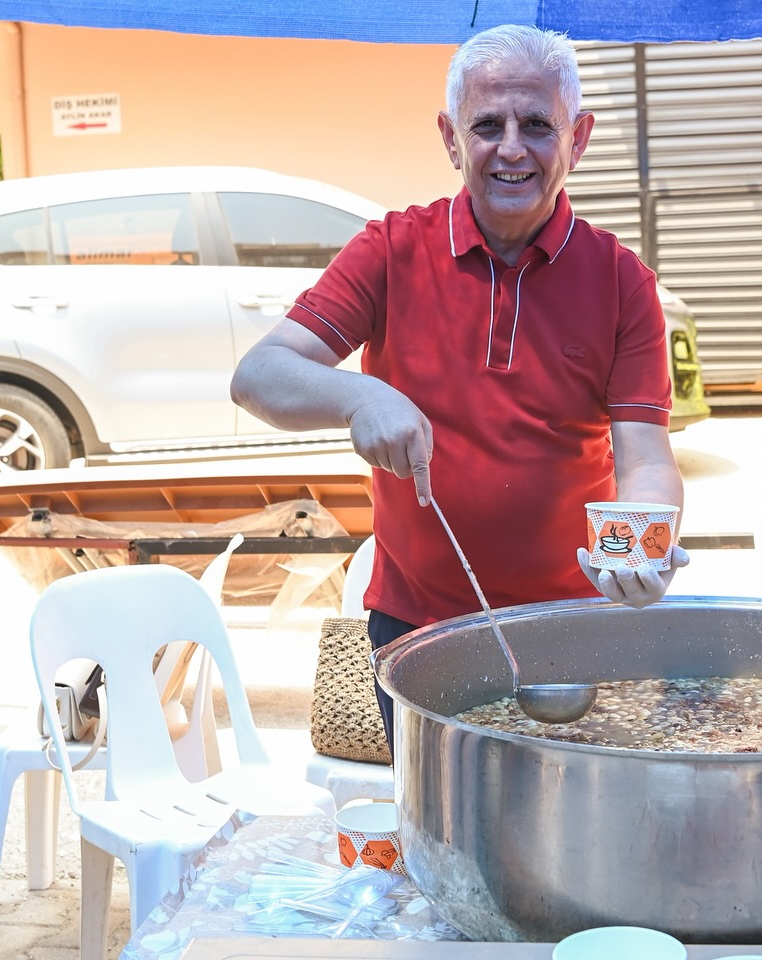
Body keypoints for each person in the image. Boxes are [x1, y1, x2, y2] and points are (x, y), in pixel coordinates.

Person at [230, 24, 688, 747]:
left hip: (570, 630)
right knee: (439, 839)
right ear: (450, 138)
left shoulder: (621, 282)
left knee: (567, 844)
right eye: (487, 125)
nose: (511, 148)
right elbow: (258, 376)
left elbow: (646, 458)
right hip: (416, 628)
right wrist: (362, 396)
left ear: (580, 137)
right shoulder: (390, 251)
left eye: (537, 124)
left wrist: (645, 545)